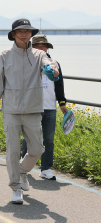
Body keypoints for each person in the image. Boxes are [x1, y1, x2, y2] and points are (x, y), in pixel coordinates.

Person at [0, 19, 60, 205]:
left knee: (38, 148)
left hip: (33, 109)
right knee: (12, 150)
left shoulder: (38, 54)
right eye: (20, 31)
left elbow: (50, 63)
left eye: (27, 31)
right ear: (13, 34)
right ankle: (16, 188)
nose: (24, 34)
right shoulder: (3, 56)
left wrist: (53, 69)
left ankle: (22, 172)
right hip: (11, 110)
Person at [21, 34, 68, 180]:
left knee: (49, 139)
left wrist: (62, 103)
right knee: (29, 137)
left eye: (44, 46)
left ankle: (46, 168)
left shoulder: (55, 63)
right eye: (38, 46)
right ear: (32, 47)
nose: (41, 48)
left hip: (49, 107)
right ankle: (23, 165)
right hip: (32, 107)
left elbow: (59, 84)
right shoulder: (27, 62)